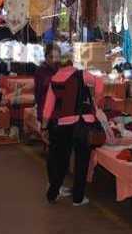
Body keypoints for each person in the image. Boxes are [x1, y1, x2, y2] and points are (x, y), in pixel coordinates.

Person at [41, 57, 104, 205]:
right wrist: (97, 98)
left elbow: (48, 108)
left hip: (63, 125)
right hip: (83, 123)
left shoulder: (54, 80)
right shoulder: (81, 74)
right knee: (81, 163)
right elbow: (99, 81)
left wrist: (44, 127)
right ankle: (78, 198)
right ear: (72, 64)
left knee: (61, 162)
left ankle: (52, 194)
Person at [34, 43, 61, 124]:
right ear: (45, 57)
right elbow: (38, 94)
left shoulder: (61, 69)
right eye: (51, 57)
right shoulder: (40, 71)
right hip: (46, 112)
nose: (53, 60)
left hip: (60, 113)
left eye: (56, 57)